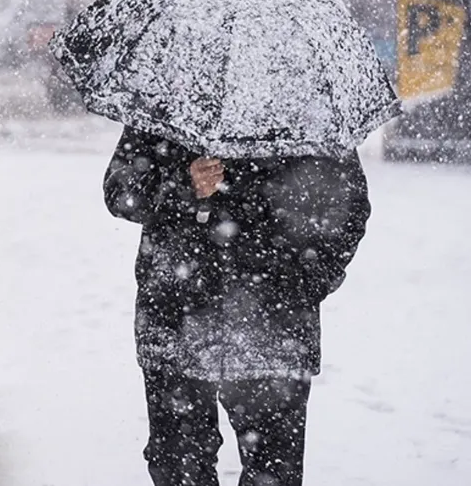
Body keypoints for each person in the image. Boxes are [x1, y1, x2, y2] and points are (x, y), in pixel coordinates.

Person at [103, 127, 371, 486]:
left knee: (273, 473)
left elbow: (349, 206)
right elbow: (121, 193)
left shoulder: (306, 112)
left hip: (274, 328)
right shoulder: (167, 105)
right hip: (177, 320)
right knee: (178, 468)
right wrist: (183, 183)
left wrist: (305, 283)